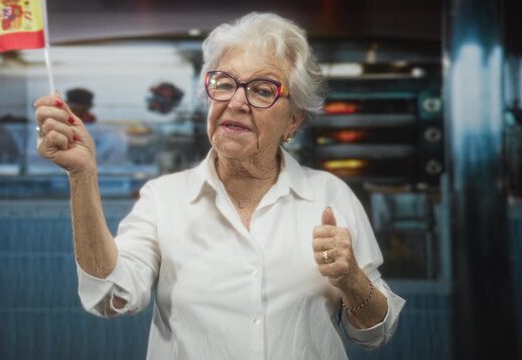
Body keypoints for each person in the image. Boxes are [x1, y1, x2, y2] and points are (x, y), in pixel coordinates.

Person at [33, 12, 404, 360]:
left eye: (262, 90)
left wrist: (352, 280)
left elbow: (375, 333)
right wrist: (82, 176)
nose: (237, 102)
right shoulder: (164, 199)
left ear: (294, 121)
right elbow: (110, 296)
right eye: (224, 84)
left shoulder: (330, 196)